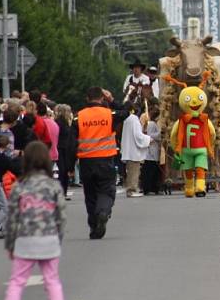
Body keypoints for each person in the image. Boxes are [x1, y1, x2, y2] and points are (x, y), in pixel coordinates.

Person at [0, 141, 67, 300]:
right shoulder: (53, 186)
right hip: (49, 237)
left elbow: (13, 216)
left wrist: (10, 244)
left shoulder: (20, 186)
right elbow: (61, 216)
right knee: (52, 281)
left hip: (25, 240)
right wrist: (59, 238)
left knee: (17, 282)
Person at [74, 87, 122, 239]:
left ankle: (94, 227)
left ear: (87, 99)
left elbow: (70, 143)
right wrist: (112, 100)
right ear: (102, 98)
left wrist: (69, 166)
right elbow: (128, 110)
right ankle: (103, 212)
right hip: (105, 159)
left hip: (86, 161)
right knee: (106, 190)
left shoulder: (78, 117)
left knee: (90, 195)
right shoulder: (110, 115)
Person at [120, 102, 153, 198]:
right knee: (134, 171)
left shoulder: (127, 119)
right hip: (133, 150)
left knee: (131, 171)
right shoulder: (134, 119)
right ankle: (132, 190)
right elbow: (138, 135)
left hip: (129, 148)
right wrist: (148, 139)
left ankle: (131, 189)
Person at [53, 105, 75, 201]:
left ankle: (63, 192)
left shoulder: (65, 122)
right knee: (62, 170)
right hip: (61, 148)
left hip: (65, 148)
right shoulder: (60, 122)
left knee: (64, 171)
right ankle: (61, 192)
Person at [140, 107, 162, 195]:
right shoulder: (152, 124)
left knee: (148, 171)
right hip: (152, 150)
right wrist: (160, 134)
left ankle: (148, 188)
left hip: (149, 151)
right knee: (151, 171)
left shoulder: (148, 123)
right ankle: (151, 188)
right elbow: (155, 135)